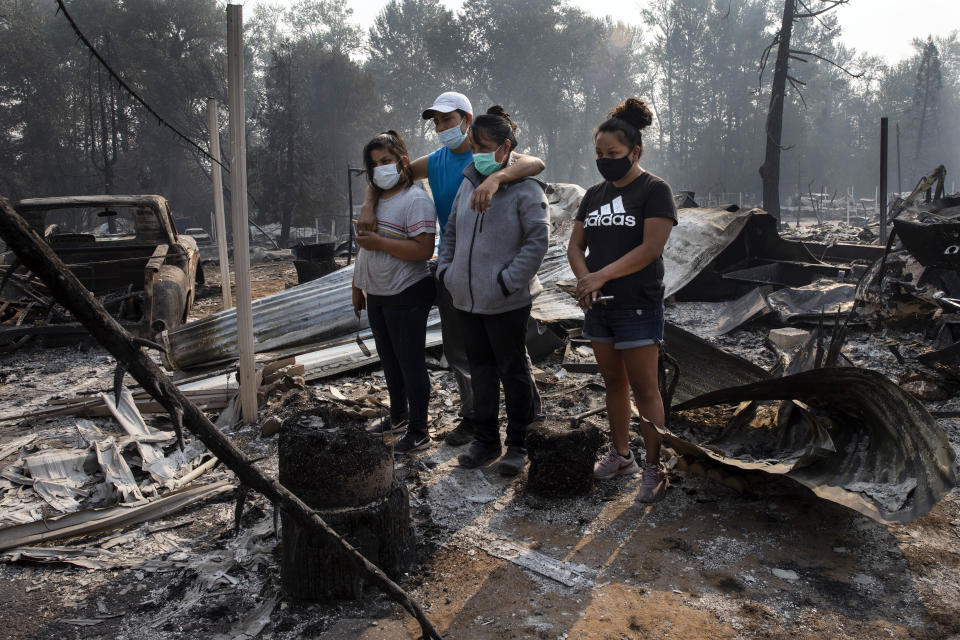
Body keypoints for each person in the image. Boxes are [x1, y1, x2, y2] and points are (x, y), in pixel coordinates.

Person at [358, 92, 545, 447]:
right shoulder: (438, 161)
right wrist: (369, 203)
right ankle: (475, 417)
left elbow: (535, 164)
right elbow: (387, 174)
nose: (442, 127)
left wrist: (496, 179)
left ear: (467, 119)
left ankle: (529, 419)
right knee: (461, 349)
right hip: (456, 265)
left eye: (448, 119)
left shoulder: (496, 157)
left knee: (510, 351)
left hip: (499, 269)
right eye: (437, 122)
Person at [566, 98, 677, 503]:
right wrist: (586, 281)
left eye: (612, 154)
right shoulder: (594, 195)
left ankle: (653, 465)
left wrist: (602, 274)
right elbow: (575, 245)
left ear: (635, 151)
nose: (605, 160)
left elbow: (650, 249)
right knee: (614, 383)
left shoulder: (655, 190)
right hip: (600, 307)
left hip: (638, 306)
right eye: (599, 154)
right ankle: (622, 454)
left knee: (646, 388)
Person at [436, 105, 550, 476]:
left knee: (513, 370)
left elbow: (537, 240)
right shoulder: (469, 182)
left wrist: (507, 281)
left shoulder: (526, 188)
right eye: (474, 147)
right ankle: (486, 440)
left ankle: (519, 443)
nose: (477, 154)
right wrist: (447, 272)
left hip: (505, 300)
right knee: (481, 371)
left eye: (484, 147)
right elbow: (451, 230)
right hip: (466, 298)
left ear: (506, 148)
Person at [352, 131, 437, 455]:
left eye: (386, 161)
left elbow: (424, 249)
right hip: (377, 292)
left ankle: (419, 429)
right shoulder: (374, 203)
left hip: (407, 291)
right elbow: (364, 250)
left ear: (402, 160)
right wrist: (357, 285)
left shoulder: (416, 200)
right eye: (374, 165)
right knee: (390, 360)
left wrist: (380, 242)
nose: (381, 168)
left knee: (411, 362)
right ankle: (398, 415)